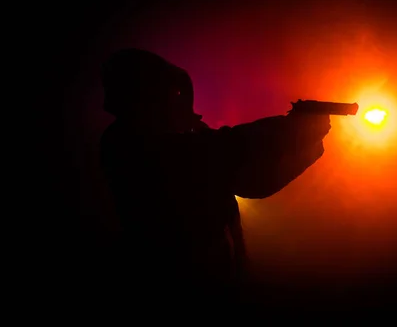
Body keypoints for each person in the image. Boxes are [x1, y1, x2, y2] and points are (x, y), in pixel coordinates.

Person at [99, 49, 330, 303]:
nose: (183, 105)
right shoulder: (136, 144)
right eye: (173, 95)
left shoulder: (135, 141)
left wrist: (308, 142)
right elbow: (233, 148)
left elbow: (254, 182)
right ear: (146, 95)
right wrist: (299, 130)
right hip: (182, 288)